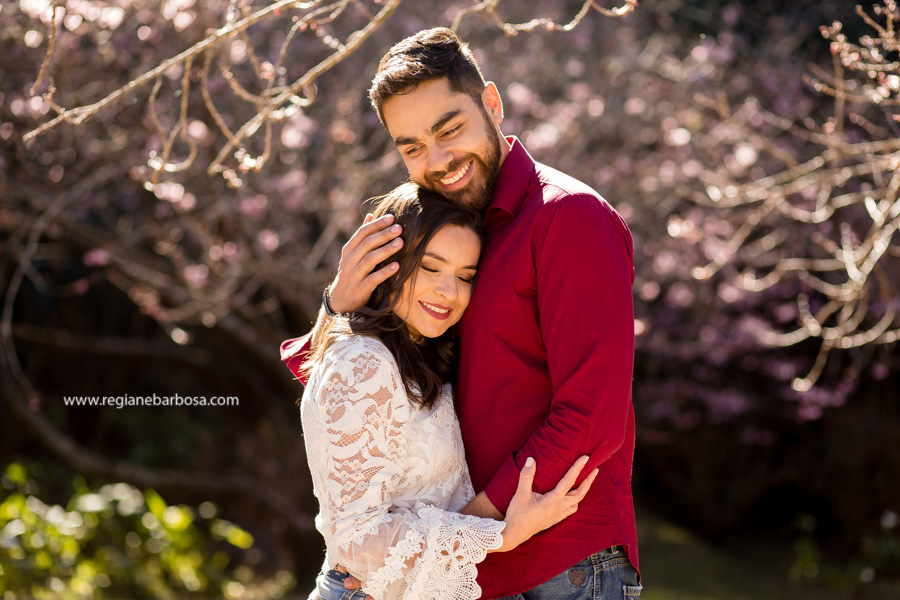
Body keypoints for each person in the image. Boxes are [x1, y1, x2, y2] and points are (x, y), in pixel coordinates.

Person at [282, 27, 640, 600]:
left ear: (491, 105)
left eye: (450, 129)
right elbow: (353, 394)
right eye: (412, 147)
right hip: (467, 566)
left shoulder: (567, 218)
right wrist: (339, 306)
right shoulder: (444, 234)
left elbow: (592, 412)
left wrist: (473, 527)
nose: (438, 160)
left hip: (560, 565)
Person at [296, 182, 598, 600]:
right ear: (389, 263)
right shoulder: (364, 361)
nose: (449, 292)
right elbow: (355, 540)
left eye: (465, 276)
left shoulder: (416, 357)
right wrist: (501, 534)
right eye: (430, 267)